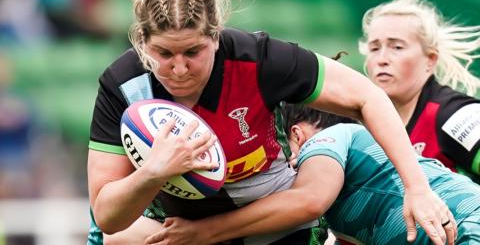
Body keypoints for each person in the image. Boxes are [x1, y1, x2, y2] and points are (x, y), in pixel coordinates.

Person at [87, 0, 455, 244]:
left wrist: (417, 188)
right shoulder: (122, 84)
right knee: (118, 239)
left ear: (217, 37)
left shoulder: (258, 58)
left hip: (271, 223)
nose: (179, 69)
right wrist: (153, 172)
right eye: (164, 54)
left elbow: (367, 97)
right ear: (142, 42)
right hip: (179, 227)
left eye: (193, 52)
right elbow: (107, 215)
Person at [142, 104, 480, 245]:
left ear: (297, 134)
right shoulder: (352, 192)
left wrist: (202, 232)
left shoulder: (332, 138)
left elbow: (310, 200)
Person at [358, 0, 480, 183]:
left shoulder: (454, 115)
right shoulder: (367, 126)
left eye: (397, 47)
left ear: (430, 60)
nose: (382, 59)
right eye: (374, 48)